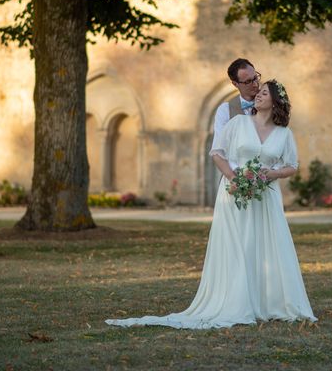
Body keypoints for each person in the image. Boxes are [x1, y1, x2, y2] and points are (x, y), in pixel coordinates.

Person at [106, 80, 316, 329]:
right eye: (257, 93)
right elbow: (217, 152)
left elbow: (292, 166)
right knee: (239, 245)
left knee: (266, 245)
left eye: (263, 93)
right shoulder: (238, 123)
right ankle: (236, 301)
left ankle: (269, 302)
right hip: (234, 192)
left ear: (275, 101)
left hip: (266, 198)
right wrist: (234, 178)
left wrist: (272, 174)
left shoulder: (284, 134)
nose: (257, 96)